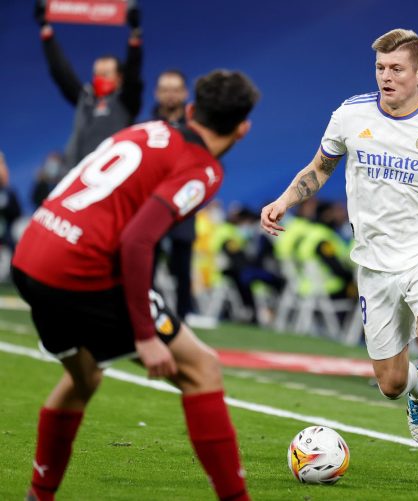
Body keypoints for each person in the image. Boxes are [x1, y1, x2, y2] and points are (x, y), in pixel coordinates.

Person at [261, 28, 418, 493]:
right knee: (391, 382)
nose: (386, 78)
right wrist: (285, 200)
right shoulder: (350, 114)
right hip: (373, 264)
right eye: (380, 69)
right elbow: (320, 168)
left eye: (396, 69)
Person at [12, 70, 260, 501]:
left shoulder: (148, 129)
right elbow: (137, 240)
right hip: (81, 268)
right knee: (203, 369)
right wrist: (145, 336)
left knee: (84, 377)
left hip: (33, 254)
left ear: (189, 110)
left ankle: (39, 495)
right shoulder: (203, 169)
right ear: (243, 128)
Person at [35, 0, 144, 170]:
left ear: (119, 78)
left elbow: (133, 75)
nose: (99, 79)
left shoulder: (127, 100)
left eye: (106, 74)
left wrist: (135, 36)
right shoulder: (85, 99)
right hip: (78, 176)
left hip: (115, 173)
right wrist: (46, 30)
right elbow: (61, 72)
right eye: (96, 74)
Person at [151, 69, 196, 318]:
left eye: (175, 89)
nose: (170, 95)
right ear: (157, 93)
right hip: (152, 204)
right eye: (165, 89)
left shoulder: (196, 127)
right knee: (146, 265)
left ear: (185, 93)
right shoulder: (147, 125)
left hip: (184, 206)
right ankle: (151, 315)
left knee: (182, 269)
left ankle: (184, 322)